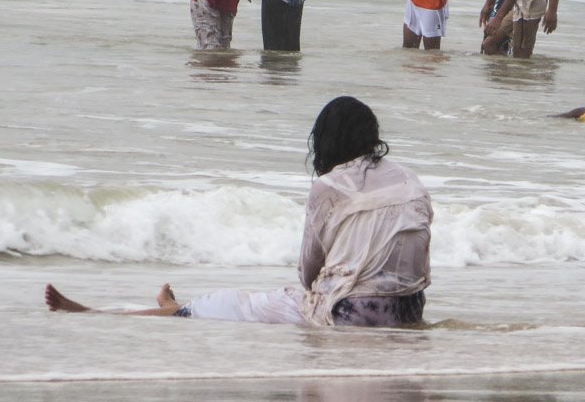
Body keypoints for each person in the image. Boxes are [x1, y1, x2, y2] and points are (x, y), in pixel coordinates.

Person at [44, 96, 433, 328]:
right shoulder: (411, 180)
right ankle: (174, 309)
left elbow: (308, 274)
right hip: (409, 313)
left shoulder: (327, 187)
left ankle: (102, 313)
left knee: (235, 304)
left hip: (347, 315)